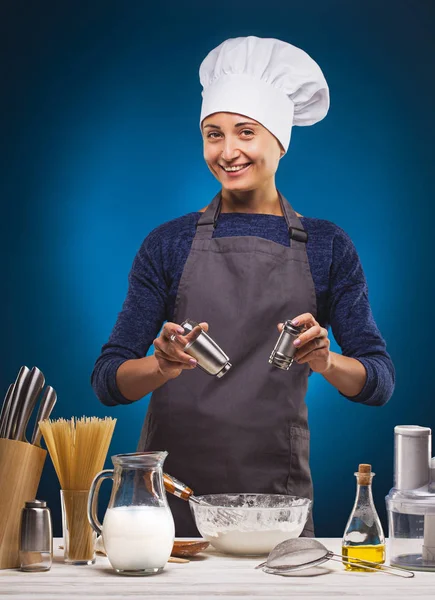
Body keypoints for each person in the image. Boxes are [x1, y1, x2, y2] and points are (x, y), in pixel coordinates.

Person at [92, 36, 395, 537]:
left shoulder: (327, 246)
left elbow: (378, 383)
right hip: (167, 505)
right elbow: (108, 382)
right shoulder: (167, 243)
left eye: (246, 133)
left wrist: (325, 360)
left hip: (276, 509)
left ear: (279, 140)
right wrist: (162, 366)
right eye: (214, 135)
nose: (228, 151)